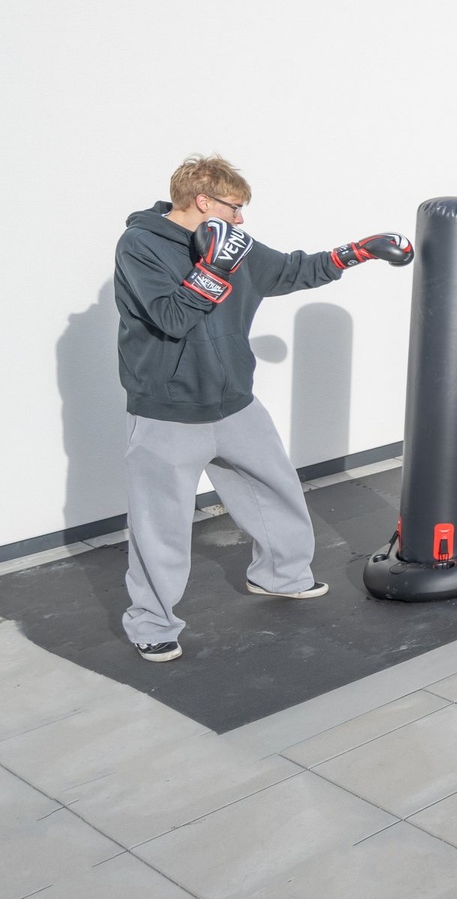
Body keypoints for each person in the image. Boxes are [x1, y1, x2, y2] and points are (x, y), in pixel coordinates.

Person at [114, 154, 413, 662]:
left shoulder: (233, 242)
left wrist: (357, 252)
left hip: (234, 401)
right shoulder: (140, 245)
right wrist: (213, 271)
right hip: (168, 409)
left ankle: (279, 576)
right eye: (234, 207)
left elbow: (292, 270)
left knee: (275, 489)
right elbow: (170, 318)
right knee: (158, 524)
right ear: (202, 201)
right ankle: (152, 623)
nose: (241, 218)